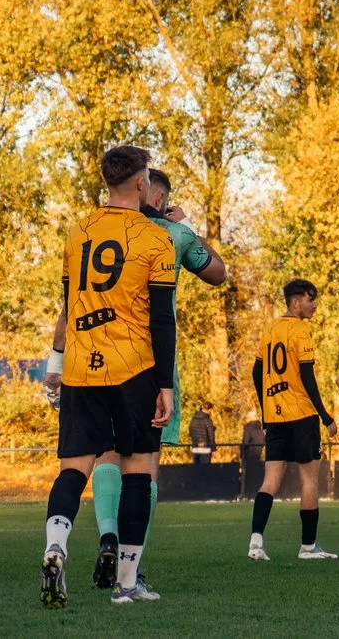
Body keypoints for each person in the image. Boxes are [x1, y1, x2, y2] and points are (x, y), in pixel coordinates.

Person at [38, 144, 178, 609]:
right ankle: (126, 584)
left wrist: (57, 362)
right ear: (141, 183)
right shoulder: (156, 238)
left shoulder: (78, 231)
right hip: (133, 367)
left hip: (81, 365)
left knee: (74, 468)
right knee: (138, 470)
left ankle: (55, 547)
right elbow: (162, 319)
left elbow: (69, 302)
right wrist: (165, 385)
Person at [81, 168, 227, 591]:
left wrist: (58, 360)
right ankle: (132, 570)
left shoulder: (93, 229)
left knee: (107, 454)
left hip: (99, 357)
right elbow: (219, 272)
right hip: (151, 363)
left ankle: (108, 534)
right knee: (144, 466)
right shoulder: (170, 234)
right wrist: (187, 225)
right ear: (156, 194)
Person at [248, 279, 337, 561]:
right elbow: (307, 376)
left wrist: (265, 410)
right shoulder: (301, 330)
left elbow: (256, 371)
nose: (314, 306)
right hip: (301, 415)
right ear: (296, 302)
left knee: (270, 481)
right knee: (309, 480)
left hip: (275, 418)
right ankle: (308, 547)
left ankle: (255, 543)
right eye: (311, 300)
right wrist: (325, 416)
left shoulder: (271, 328)